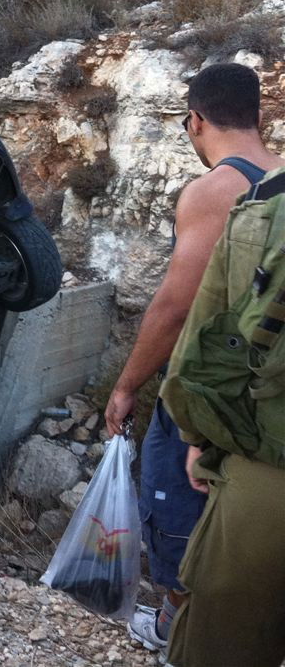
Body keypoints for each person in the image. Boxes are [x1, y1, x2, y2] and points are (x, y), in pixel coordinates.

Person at [103, 62, 283, 653]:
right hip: (264, 403)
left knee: (175, 504)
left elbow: (175, 308)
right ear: (258, 116)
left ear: (196, 120)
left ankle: (177, 626)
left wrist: (127, 386)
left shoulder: (213, 192)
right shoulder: (280, 181)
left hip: (209, 398)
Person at [160, 163, 285, 667]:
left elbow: (207, 329)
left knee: (225, 636)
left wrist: (199, 435)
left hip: (267, 464)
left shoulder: (264, 203)